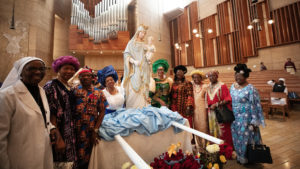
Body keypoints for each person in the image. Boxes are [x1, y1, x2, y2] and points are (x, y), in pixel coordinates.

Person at [0, 57, 62, 169]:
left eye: (41, 69)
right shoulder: (7, 96)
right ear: (21, 72)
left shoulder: (41, 91)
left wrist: (52, 128)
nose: (38, 72)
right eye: (31, 69)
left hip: (43, 152)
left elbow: (42, 117)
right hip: (21, 156)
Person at [44, 55, 80, 169]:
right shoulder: (51, 86)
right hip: (59, 132)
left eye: (72, 69)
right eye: (66, 68)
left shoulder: (69, 86)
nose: (69, 71)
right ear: (58, 69)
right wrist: (58, 138)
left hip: (70, 132)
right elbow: (50, 113)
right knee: (60, 163)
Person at [230, 64, 265, 164]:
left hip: (246, 119)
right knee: (237, 138)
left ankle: (248, 158)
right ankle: (240, 156)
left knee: (246, 138)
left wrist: (254, 122)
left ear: (245, 77)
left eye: (240, 77)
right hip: (235, 118)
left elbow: (255, 105)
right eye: (236, 77)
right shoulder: (232, 87)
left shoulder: (251, 89)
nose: (238, 79)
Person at [74, 68, 108, 169]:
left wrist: (95, 130)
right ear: (79, 78)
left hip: (90, 130)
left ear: (92, 78)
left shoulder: (99, 93)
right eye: (82, 76)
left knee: (88, 158)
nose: (85, 77)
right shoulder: (74, 91)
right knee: (75, 156)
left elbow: (102, 111)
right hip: (75, 130)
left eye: (88, 75)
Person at [122, 24, 150, 109]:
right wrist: (133, 61)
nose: (144, 35)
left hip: (144, 68)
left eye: (145, 33)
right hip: (135, 69)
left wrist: (148, 59)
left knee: (143, 87)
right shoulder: (131, 43)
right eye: (143, 33)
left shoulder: (143, 44)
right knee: (134, 87)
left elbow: (146, 55)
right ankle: (132, 108)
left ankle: (142, 107)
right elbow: (126, 55)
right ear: (138, 32)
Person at [205, 71, 233, 148]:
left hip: (221, 112)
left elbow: (228, 99)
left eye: (213, 76)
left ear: (217, 76)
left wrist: (217, 104)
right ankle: (215, 148)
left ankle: (226, 149)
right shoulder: (208, 86)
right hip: (211, 112)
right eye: (209, 76)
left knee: (223, 131)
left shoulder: (222, 86)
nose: (211, 78)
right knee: (212, 130)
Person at [191, 70, 208, 147]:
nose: (196, 79)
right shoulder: (191, 85)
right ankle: (199, 146)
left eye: (198, 77)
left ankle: (205, 145)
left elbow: (208, 99)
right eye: (194, 77)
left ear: (201, 78)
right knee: (196, 126)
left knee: (203, 126)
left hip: (203, 109)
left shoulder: (205, 86)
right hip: (194, 110)